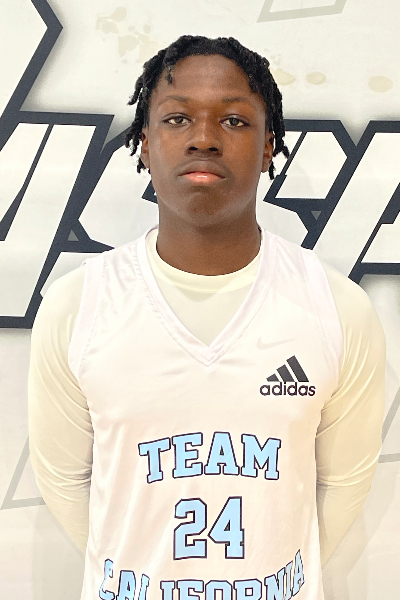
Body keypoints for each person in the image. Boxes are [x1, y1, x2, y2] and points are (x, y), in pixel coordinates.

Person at [28, 36, 385, 600]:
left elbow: (343, 481)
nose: (203, 139)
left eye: (234, 121)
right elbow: (63, 479)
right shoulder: (78, 306)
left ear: (268, 147)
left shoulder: (336, 308)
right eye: (177, 119)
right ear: (145, 145)